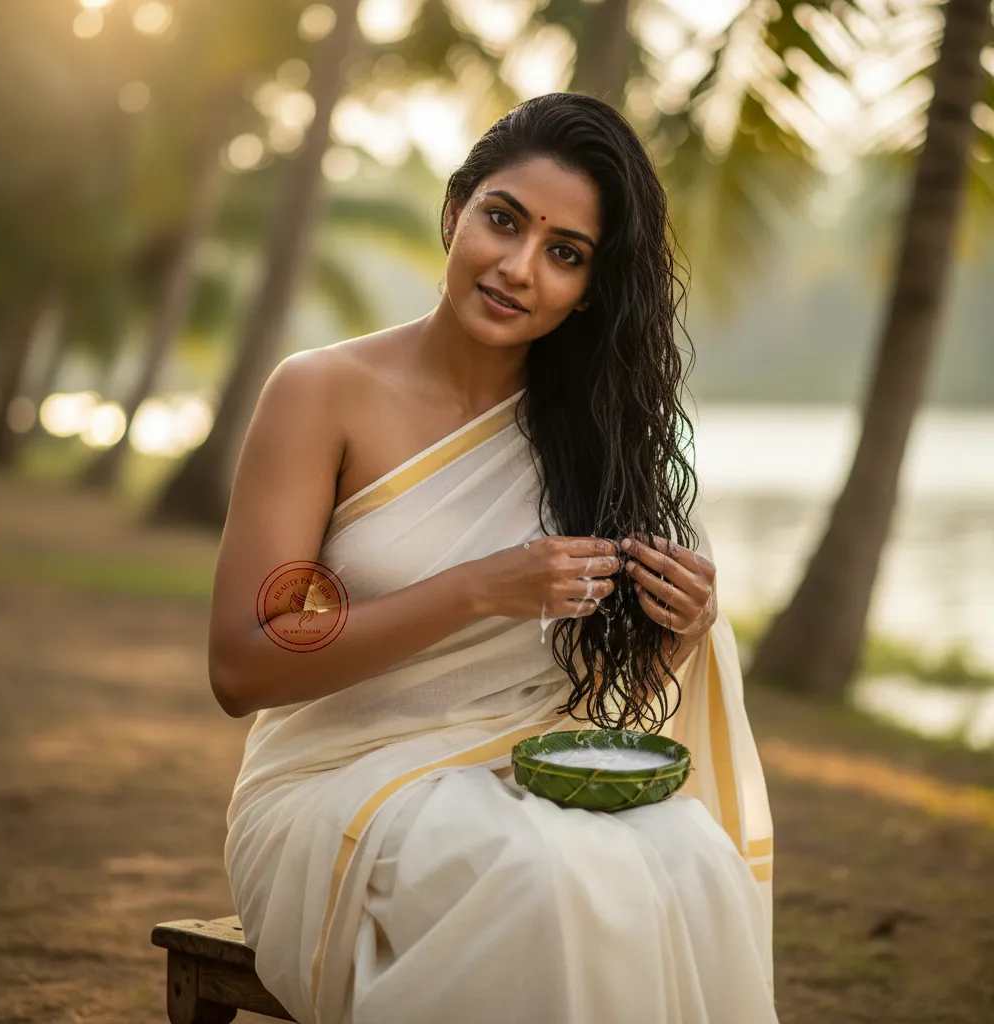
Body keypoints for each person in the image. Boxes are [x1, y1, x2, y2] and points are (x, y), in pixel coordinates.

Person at [212, 92, 777, 1024]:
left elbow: (604, 710)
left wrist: (681, 628)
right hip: (331, 787)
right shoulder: (323, 394)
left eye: (565, 255)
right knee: (538, 878)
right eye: (502, 221)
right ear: (454, 211)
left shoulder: (598, 441)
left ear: (592, 288)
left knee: (688, 855)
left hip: (518, 779)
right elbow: (243, 663)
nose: (518, 268)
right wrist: (480, 589)